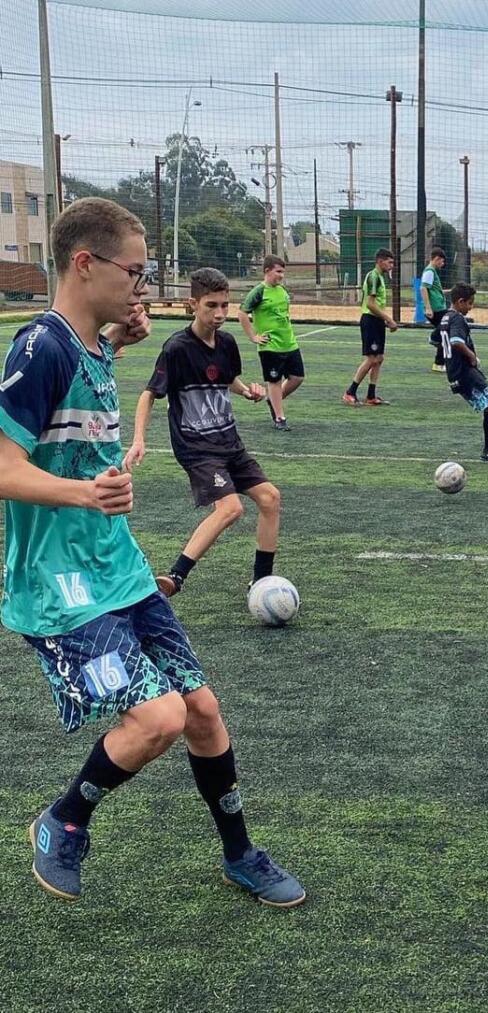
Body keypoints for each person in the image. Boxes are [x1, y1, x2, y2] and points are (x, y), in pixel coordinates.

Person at [0, 198, 303, 906]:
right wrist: (84, 494)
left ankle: (241, 854)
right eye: (135, 272)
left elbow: (85, 386)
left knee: (202, 711)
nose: (143, 287)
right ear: (85, 264)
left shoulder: (90, 344)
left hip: (120, 569)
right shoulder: (39, 347)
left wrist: (116, 340)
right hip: (59, 583)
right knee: (159, 718)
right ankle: (63, 818)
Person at [125, 267, 283, 598]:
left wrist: (247, 391)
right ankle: (175, 576)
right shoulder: (177, 348)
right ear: (193, 304)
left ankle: (261, 582)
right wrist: (139, 439)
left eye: (225, 305)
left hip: (229, 442)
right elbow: (149, 394)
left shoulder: (227, 343)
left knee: (270, 498)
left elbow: (228, 379)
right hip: (197, 449)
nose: (220, 313)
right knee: (231, 508)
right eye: (211, 305)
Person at [439, 283, 488, 461]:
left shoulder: (445, 317)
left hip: (456, 371)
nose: (471, 307)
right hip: (464, 371)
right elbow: (456, 341)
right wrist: (471, 356)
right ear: (460, 301)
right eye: (469, 303)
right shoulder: (457, 318)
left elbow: (435, 339)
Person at [238, 254, 303, 431]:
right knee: (274, 381)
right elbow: (242, 313)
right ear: (267, 271)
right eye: (278, 272)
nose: (281, 275)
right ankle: (280, 418)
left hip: (289, 343)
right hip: (270, 346)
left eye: (283, 272)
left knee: (297, 378)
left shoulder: (282, 291)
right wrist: (253, 336)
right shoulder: (258, 291)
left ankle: (273, 400)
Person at [344, 248, 398, 406]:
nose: (392, 266)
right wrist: (389, 319)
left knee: (379, 358)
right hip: (370, 320)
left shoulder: (380, 277)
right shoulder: (373, 276)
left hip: (377, 320)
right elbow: (370, 304)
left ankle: (371, 395)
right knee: (372, 359)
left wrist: (384, 320)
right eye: (389, 262)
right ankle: (350, 392)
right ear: (380, 261)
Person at [421, 247, 449, 372]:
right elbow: (423, 288)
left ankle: (439, 363)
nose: (442, 264)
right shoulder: (429, 271)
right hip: (436, 309)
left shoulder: (432, 272)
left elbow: (434, 290)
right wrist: (428, 308)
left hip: (439, 307)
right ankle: (434, 337)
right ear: (437, 259)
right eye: (442, 261)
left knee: (445, 332)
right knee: (445, 331)